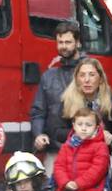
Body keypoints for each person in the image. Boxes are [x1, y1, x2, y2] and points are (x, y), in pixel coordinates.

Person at [30, 21, 84, 170]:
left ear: (78, 43)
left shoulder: (89, 73)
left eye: (68, 42)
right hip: (55, 152)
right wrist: (38, 134)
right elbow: (38, 112)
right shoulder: (48, 76)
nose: (64, 46)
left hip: (85, 152)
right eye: (60, 42)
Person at [52, 58, 112, 151]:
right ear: (77, 79)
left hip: (101, 155)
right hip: (75, 153)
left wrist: (110, 137)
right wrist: (79, 133)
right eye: (82, 75)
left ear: (100, 79)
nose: (87, 80)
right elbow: (57, 132)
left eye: (92, 75)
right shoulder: (68, 100)